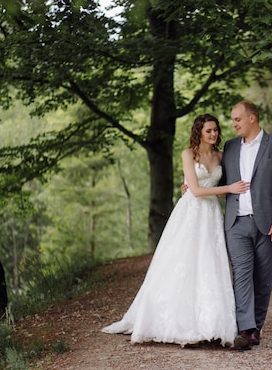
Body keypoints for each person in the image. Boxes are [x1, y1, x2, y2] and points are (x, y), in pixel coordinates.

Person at [101, 114, 250, 347]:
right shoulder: (188, 154)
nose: (213, 134)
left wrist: (229, 189)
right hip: (191, 212)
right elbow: (196, 190)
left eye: (216, 130)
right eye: (209, 131)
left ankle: (210, 323)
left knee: (209, 264)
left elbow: (220, 191)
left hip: (211, 214)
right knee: (181, 263)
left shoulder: (220, 156)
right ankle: (176, 322)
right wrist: (225, 187)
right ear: (199, 132)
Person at [222, 100, 272, 350]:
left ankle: (256, 329)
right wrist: (189, 183)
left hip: (267, 224)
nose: (233, 124)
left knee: (262, 278)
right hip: (236, 223)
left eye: (237, 119)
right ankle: (245, 329)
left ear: (252, 118)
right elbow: (211, 172)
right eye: (233, 119)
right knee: (241, 275)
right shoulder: (229, 148)